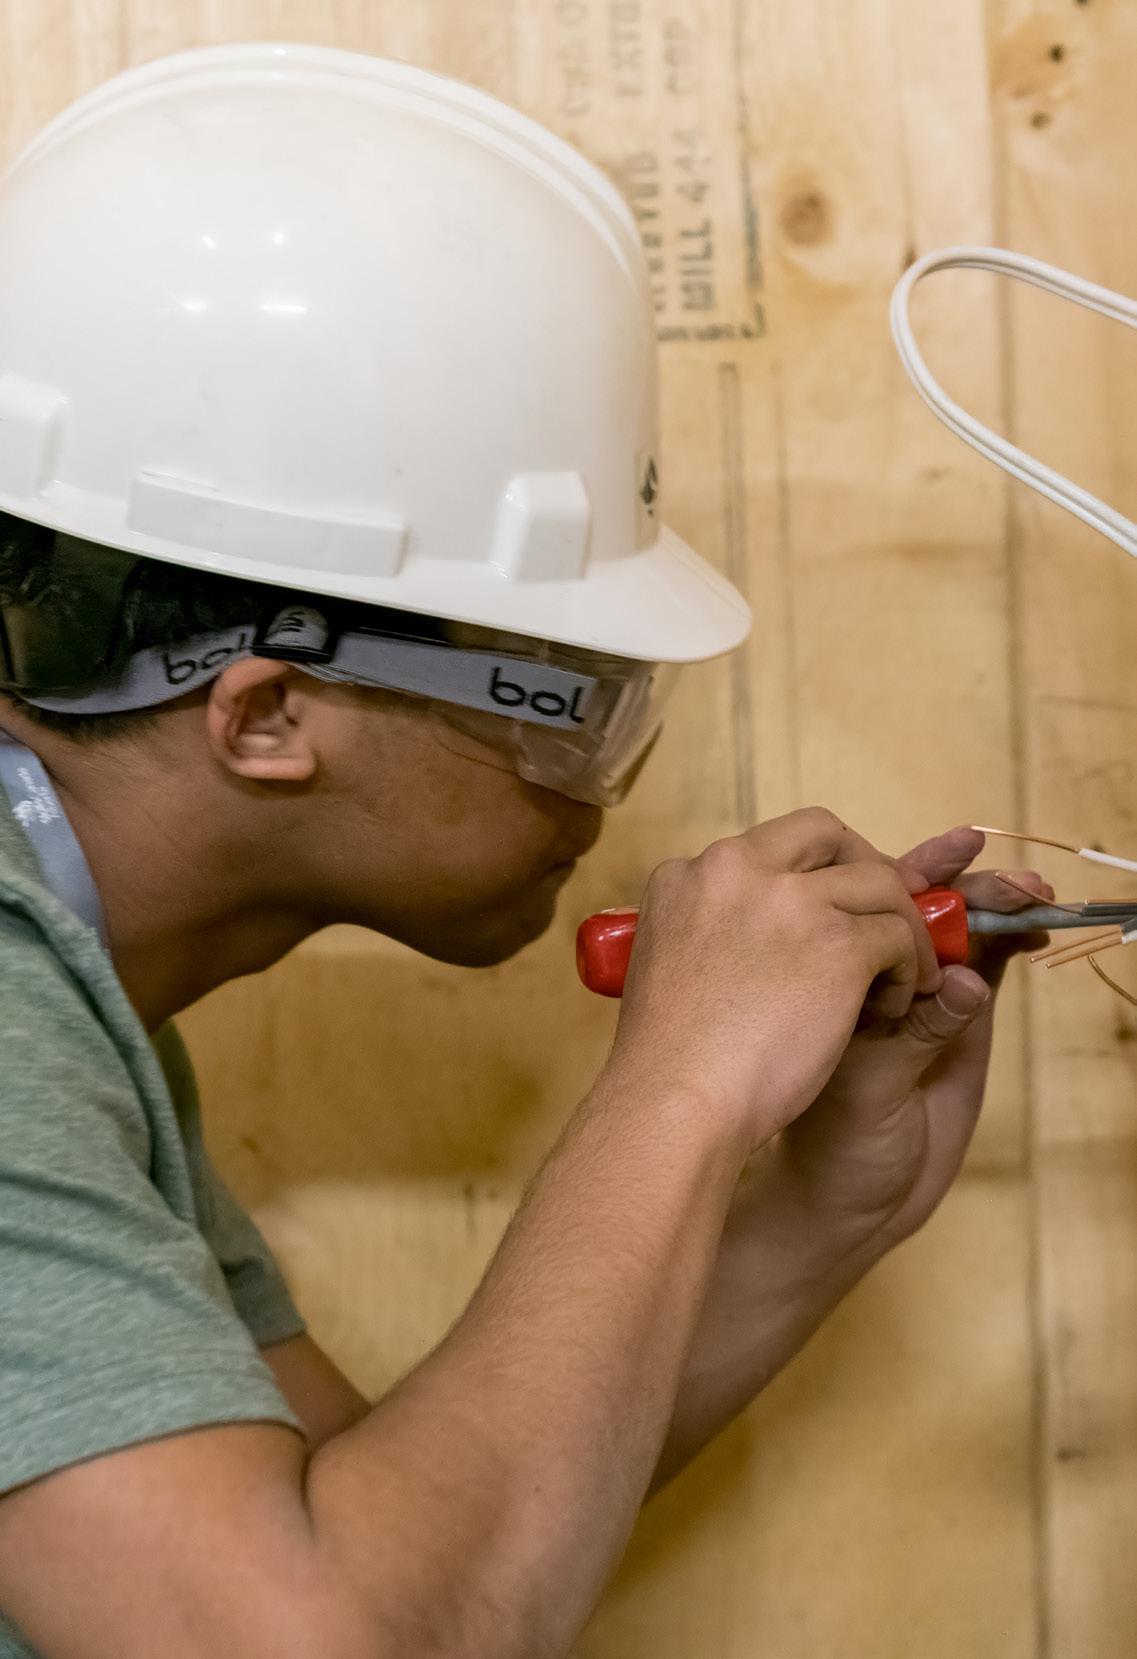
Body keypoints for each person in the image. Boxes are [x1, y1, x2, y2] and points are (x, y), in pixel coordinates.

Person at [0, 43, 1049, 1659]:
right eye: (570, 698)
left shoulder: (69, 1003)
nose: (600, 789)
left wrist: (813, 1217)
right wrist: (684, 1086)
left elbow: (413, 1552)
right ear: (267, 715)